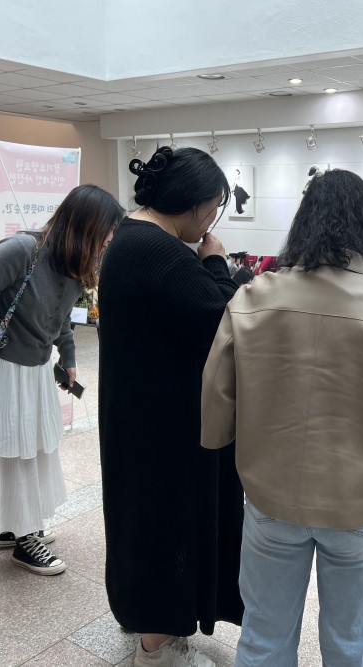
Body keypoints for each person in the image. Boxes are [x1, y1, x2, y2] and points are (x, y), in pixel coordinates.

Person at [201, 168, 363, 666]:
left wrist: (223, 438)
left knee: (264, 638)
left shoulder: (252, 297)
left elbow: (217, 398)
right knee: (350, 644)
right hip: (359, 501)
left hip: (271, 493)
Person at [98, 146, 243, 667]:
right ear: (196, 204)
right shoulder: (159, 252)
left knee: (143, 518)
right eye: (214, 209)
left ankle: (147, 619)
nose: (211, 221)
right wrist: (217, 262)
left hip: (139, 410)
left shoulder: (130, 237)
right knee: (166, 521)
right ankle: (156, 648)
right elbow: (223, 319)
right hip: (163, 423)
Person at [0, 184, 123, 575]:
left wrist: (69, 357)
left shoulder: (73, 262)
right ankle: (25, 538)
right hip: (5, 372)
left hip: (34, 371)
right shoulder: (22, 249)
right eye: (107, 231)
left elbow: (60, 317)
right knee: (18, 453)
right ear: (84, 225)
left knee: (27, 450)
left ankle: (11, 526)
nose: (109, 240)